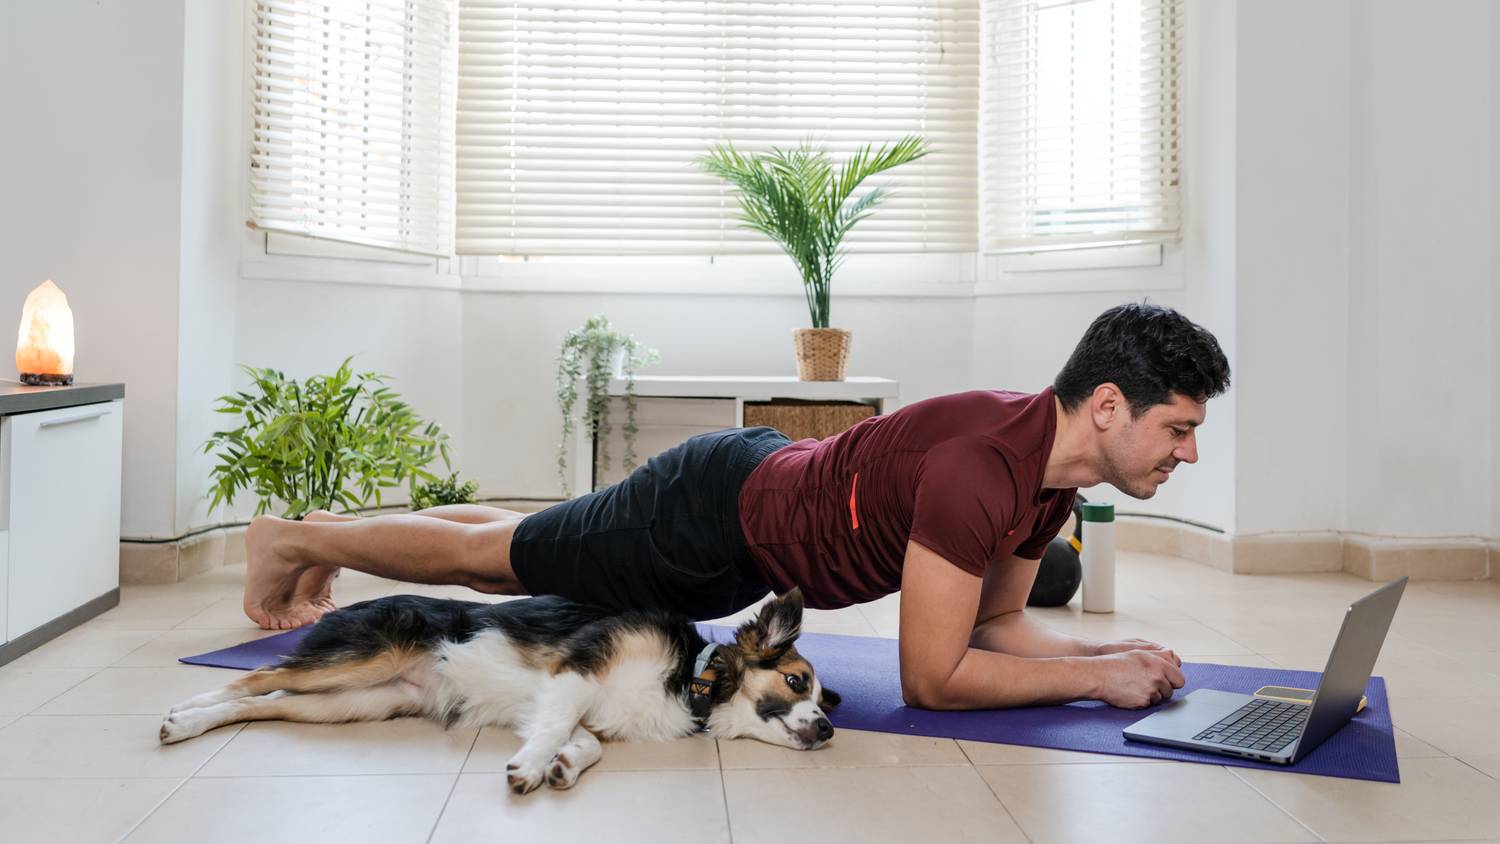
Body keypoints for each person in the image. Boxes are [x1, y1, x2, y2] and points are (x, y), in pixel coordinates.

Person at [242, 302, 1230, 710]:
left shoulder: (1049, 483)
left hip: (750, 533)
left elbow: (1003, 622)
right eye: (1179, 428)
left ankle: (317, 535)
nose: (1187, 451)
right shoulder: (984, 468)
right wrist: (1095, 678)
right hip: (710, 513)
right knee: (504, 560)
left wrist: (1113, 657)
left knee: (518, 543)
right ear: (1109, 405)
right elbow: (933, 675)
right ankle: (293, 535)